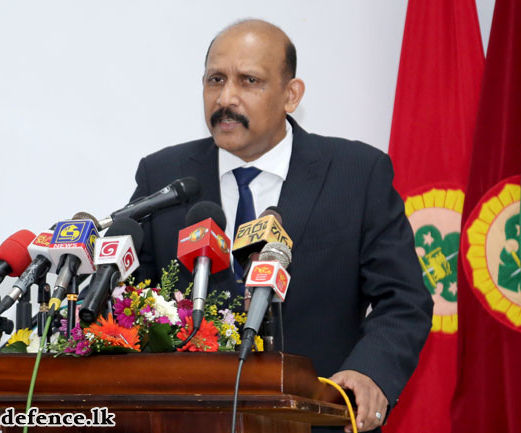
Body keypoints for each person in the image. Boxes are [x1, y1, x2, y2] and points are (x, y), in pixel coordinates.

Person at [130, 19, 433, 433]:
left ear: (291, 95)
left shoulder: (356, 174)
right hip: (190, 419)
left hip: (316, 417)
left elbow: (404, 300)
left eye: (249, 80)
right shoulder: (164, 176)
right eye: (215, 79)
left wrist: (370, 373)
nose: (226, 98)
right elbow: (128, 297)